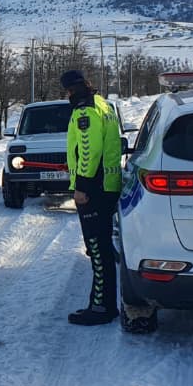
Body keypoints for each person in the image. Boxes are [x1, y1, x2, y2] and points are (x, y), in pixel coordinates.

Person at [61, 69, 123, 325]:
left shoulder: (85, 110)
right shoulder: (103, 104)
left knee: (97, 249)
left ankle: (101, 307)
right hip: (107, 185)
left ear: (71, 89)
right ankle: (104, 302)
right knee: (104, 248)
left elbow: (89, 150)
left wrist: (82, 187)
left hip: (94, 189)